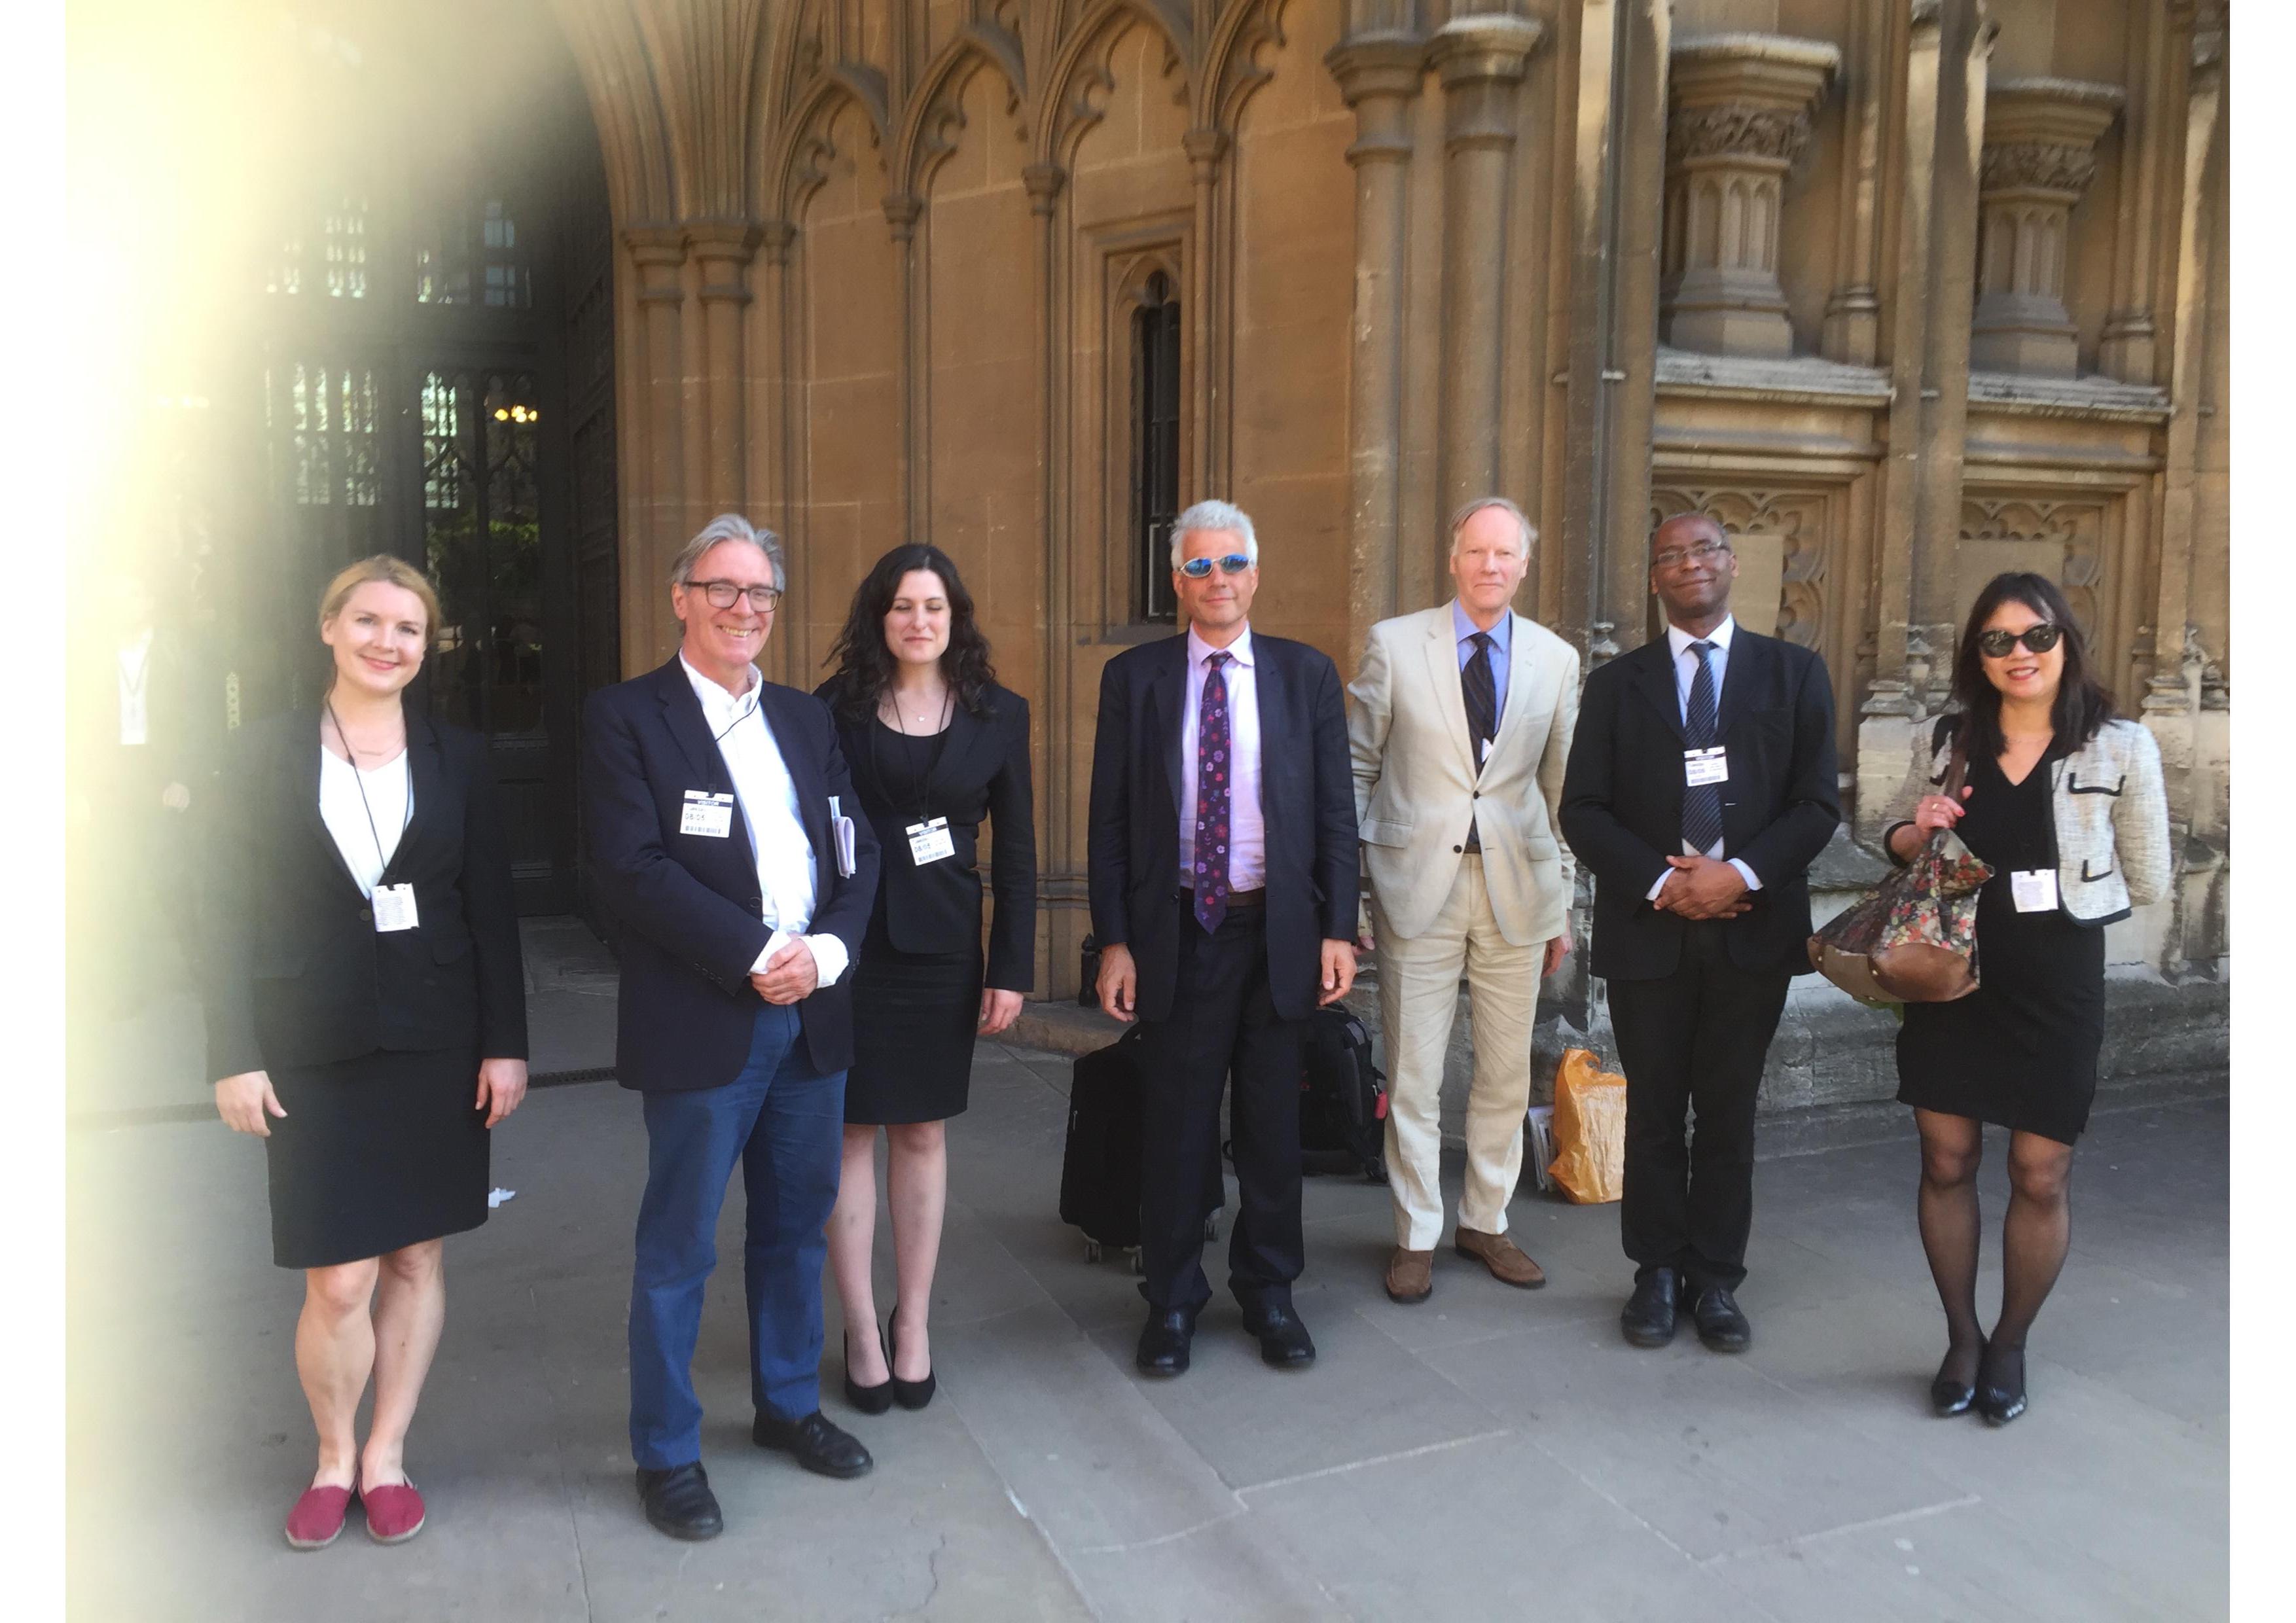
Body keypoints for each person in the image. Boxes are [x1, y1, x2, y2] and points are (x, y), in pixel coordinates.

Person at [201, 555, 529, 1550]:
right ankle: (332, 1456)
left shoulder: (458, 755)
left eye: (409, 628)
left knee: (416, 1255)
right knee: (338, 1276)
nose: (388, 642)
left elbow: (491, 909)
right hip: (310, 1039)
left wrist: (506, 1045)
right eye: (369, 621)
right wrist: (232, 1050)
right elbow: (221, 912)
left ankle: (386, 1455)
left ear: (430, 646)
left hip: (436, 1036)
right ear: (330, 627)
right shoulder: (258, 752)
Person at [583, 514, 884, 1541]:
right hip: (705, 1017)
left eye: (760, 593)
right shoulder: (628, 717)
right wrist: (760, 951)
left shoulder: (803, 717)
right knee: (679, 1247)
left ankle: (788, 1405)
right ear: (682, 599)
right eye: (723, 588)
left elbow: (856, 848)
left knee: (796, 1227)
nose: (743, 609)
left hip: (811, 1014)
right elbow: (630, 870)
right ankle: (667, 1453)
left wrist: (827, 953)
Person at [1885, 573, 2169, 1425]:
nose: (2020, 653)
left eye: (2037, 635)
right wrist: (1919, 828)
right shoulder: (1950, 736)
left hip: (2055, 982)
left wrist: (2071, 883)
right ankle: (1961, 1338)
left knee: (2039, 1172)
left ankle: (2008, 1343)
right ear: (1978, 655)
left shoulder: (2120, 744)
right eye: (1998, 640)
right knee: (1946, 1160)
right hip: (1952, 973)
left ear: (2066, 641)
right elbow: (1891, 834)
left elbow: (2151, 875)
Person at [1088, 499, 1359, 1378]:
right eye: (1199, 566)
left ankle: (1270, 1291)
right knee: (1176, 1126)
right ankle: (1171, 1300)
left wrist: (1338, 929)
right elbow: (1109, 821)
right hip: (1177, 929)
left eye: (1232, 562)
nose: (1218, 579)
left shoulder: (1304, 675)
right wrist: (1115, 939)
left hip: (1276, 931)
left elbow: (1334, 813)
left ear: (1256, 574)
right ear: (1178, 581)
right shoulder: (1135, 679)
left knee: (1273, 1126)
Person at [1560, 512, 1839, 1353]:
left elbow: (1816, 804)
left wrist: (1737, 874)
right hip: (1650, 930)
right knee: (1652, 1109)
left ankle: (1715, 1275)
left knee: (1727, 1111)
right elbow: (1583, 808)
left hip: (1753, 928)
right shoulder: (1617, 684)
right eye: (1671, 555)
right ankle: (1654, 1269)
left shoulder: (1793, 672)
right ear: (1655, 577)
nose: (1690, 564)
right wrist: (1664, 884)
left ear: (1732, 563)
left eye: (1705, 549)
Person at [816, 543, 1036, 1414]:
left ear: (955, 618)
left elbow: (1017, 853)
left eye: (934, 606)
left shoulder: (999, 714)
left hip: (943, 952)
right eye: (903, 605)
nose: (918, 621)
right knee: (848, 1133)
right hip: (851, 949)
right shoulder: (832, 709)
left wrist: (1010, 967)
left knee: (921, 1133)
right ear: (880, 617)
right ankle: (861, 1327)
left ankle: (913, 1322)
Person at [1347, 497, 1579, 1304]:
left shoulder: (1555, 659)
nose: (1490, 565)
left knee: (1505, 1073)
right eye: (1476, 551)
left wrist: (1564, 903)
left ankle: (1485, 1219)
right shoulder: (1395, 643)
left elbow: (1562, 792)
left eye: (1504, 553)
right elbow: (1356, 766)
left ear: (1524, 566)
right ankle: (1415, 1231)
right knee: (1414, 1072)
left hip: (1519, 888)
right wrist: (1350, 893)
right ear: (1453, 559)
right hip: (1415, 885)